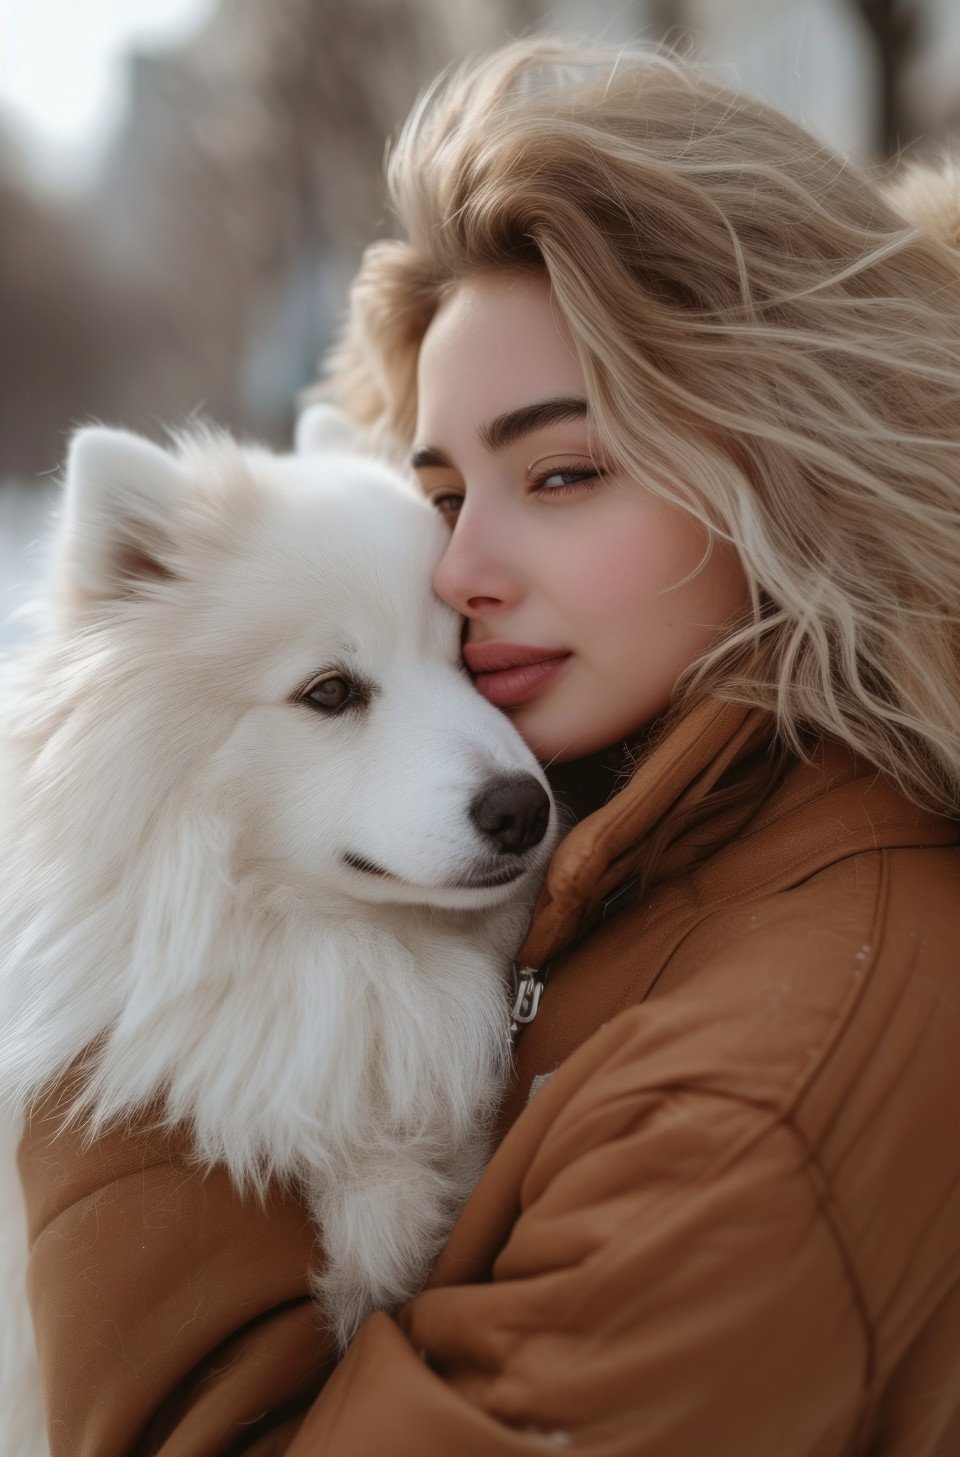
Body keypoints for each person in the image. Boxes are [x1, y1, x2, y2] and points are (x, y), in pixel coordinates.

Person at [18, 35, 960, 1456]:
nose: (460, 570)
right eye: (445, 489)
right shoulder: (650, 830)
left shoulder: (761, 1091)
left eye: (564, 472)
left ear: (785, 461)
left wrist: (120, 1029)